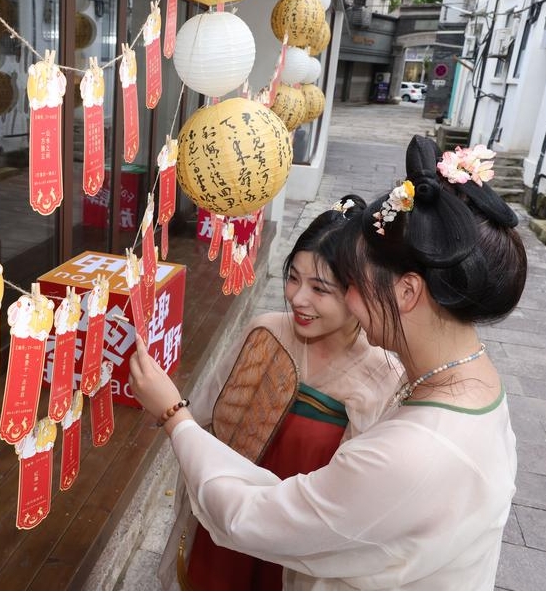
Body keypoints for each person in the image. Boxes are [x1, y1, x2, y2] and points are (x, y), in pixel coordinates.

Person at [131, 135, 527, 590]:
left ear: (407, 292)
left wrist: (172, 415)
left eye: (352, 282)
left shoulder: (414, 453)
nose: (347, 297)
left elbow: (254, 518)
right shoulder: (476, 386)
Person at [172, 195, 404, 590]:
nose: (298, 298)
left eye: (319, 288)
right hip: (227, 527)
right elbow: (208, 421)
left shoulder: (382, 377)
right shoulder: (265, 332)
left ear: (358, 294)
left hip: (300, 555)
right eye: (293, 277)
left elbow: (358, 506)